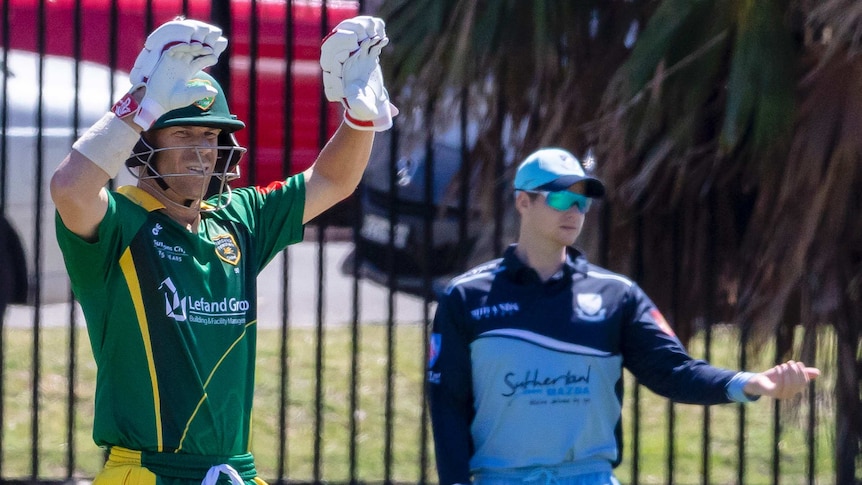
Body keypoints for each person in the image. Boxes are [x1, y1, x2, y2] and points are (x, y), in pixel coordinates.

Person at [50, 16, 394, 485]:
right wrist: (139, 104)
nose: (202, 151)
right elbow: (70, 189)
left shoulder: (239, 218)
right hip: (146, 472)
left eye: (210, 136)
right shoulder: (121, 223)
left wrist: (361, 112)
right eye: (183, 134)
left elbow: (334, 180)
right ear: (144, 141)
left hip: (236, 471)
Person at [426, 147, 821, 485]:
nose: (575, 210)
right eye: (561, 198)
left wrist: (751, 383)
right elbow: (447, 404)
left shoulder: (617, 295)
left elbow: (672, 371)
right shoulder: (466, 297)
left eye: (583, 200)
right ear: (523, 201)